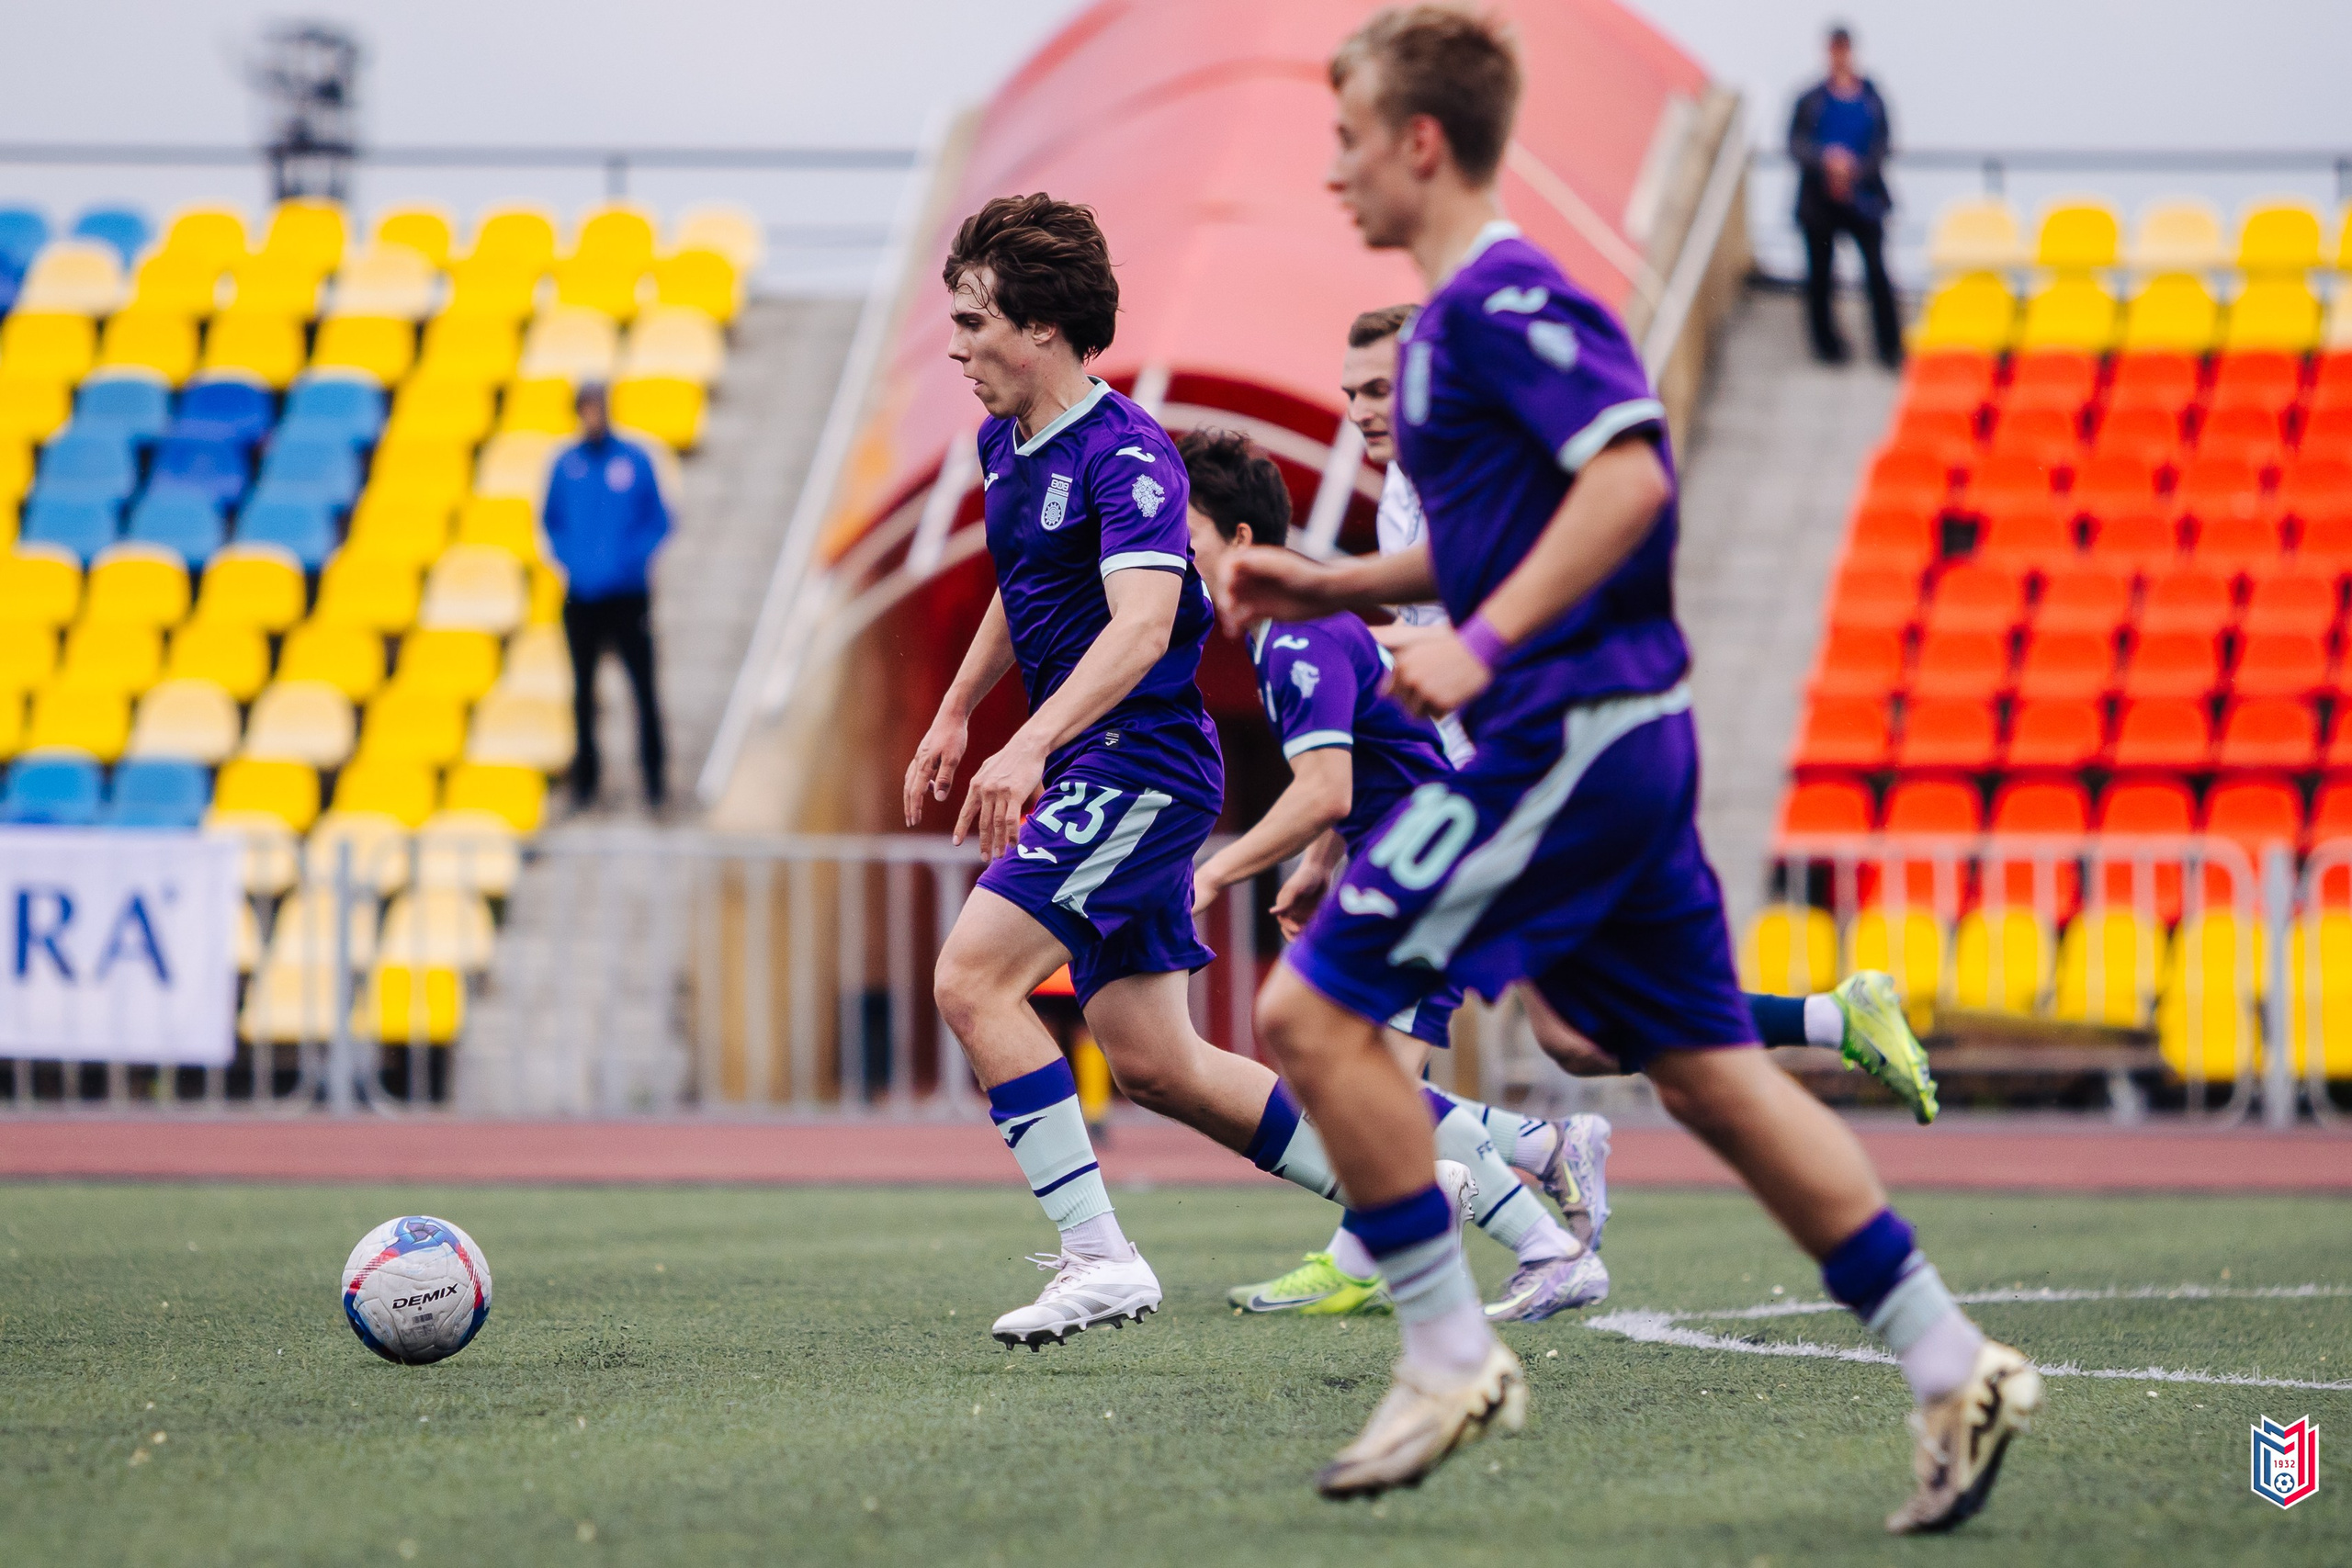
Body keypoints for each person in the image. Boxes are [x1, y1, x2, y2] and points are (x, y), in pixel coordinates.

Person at [1225, 8, 2037, 1527]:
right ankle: (1950, 1361)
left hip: (1575, 731)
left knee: (1307, 1012)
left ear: (1418, 142)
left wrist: (1486, 643)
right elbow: (1487, 538)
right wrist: (1332, 589)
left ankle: (1451, 1350)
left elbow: (1632, 473)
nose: (1330, 173)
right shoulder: (1459, 323)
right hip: (1614, 735)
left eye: (1346, 141)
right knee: (1708, 1076)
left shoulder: (1499, 299)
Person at [903, 194, 1568, 1352]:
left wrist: (1025, 742)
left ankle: (1100, 1260)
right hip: (1105, 770)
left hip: (1140, 767)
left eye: (973, 320)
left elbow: (1141, 624)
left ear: (1044, 326)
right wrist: (960, 710)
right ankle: (1405, 1194)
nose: (955, 346)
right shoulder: (1001, 446)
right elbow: (1026, 592)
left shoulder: (1130, 456)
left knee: (973, 983)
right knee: (1162, 1065)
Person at [1339, 301, 1939, 1121]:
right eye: (1351, 395)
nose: (1362, 410)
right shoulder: (1402, 495)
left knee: (1363, 1031)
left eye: (1378, 388)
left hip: (1531, 776)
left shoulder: (1476, 478)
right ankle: (1830, 1020)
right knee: (1575, 1041)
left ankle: (1419, 1232)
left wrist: (1344, 614)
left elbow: (1529, 597)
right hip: (1489, 780)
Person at [1181, 427, 1607, 1324]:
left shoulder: (1290, 638)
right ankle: (1540, 1153)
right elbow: (1375, 762)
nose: (1180, 565)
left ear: (1243, 542)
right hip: (1420, 858)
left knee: (1360, 1079)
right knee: (1356, 1073)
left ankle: (1545, 1242)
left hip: (1433, 868)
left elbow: (1327, 783)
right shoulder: (1294, 632)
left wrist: (1222, 869)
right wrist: (1317, 864)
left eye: (1189, 543)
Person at [543, 381, 671, 812]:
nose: (592, 415)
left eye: (598, 407)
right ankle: (586, 783)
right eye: (586, 408)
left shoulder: (635, 461)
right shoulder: (566, 465)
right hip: (582, 599)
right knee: (582, 693)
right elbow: (552, 522)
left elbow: (659, 519)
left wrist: (630, 562)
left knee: (644, 691)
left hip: (628, 597)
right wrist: (574, 562)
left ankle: (654, 782)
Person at [1789, 25, 1901, 367]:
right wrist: (1828, 164)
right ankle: (1828, 347)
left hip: (1863, 200)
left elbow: (1882, 145)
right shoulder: (1810, 100)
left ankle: (1889, 347)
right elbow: (1797, 144)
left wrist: (1853, 171)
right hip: (1820, 204)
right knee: (1821, 276)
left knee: (1877, 273)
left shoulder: (1871, 97)